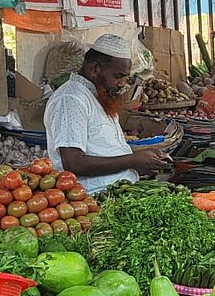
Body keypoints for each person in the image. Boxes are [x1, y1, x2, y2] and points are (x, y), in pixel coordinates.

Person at [44, 34, 169, 194]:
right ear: (94, 69)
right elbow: (74, 163)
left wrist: (142, 158)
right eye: (118, 76)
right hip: (94, 197)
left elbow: (104, 150)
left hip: (121, 190)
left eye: (125, 77)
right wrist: (133, 160)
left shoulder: (100, 95)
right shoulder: (71, 99)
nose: (122, 84)